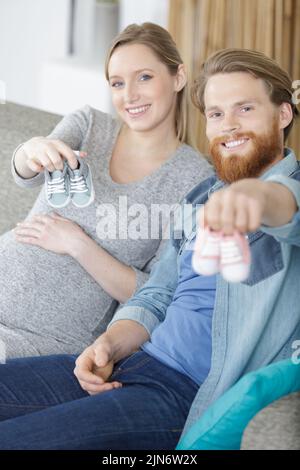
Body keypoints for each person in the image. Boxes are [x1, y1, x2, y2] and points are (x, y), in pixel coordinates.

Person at [0, 48, 299, 450]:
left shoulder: (284, 195)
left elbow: (283, 207)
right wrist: (109, 344)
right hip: (131, 364)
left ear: (283, 114)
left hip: (179, 394)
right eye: (215, 114)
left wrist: (254, 197)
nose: (228, 126)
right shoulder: (201, 197)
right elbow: (157, 294)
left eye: (244, 108)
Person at [0, 23, 212, 359]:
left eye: (144, 77)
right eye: (117, 83)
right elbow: (25, 174)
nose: (129, 95)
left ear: (178, 77)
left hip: (45, 337)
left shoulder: (196, 180)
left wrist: (77, 244)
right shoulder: (89, 125)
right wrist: (33, 149)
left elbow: (155, 294)